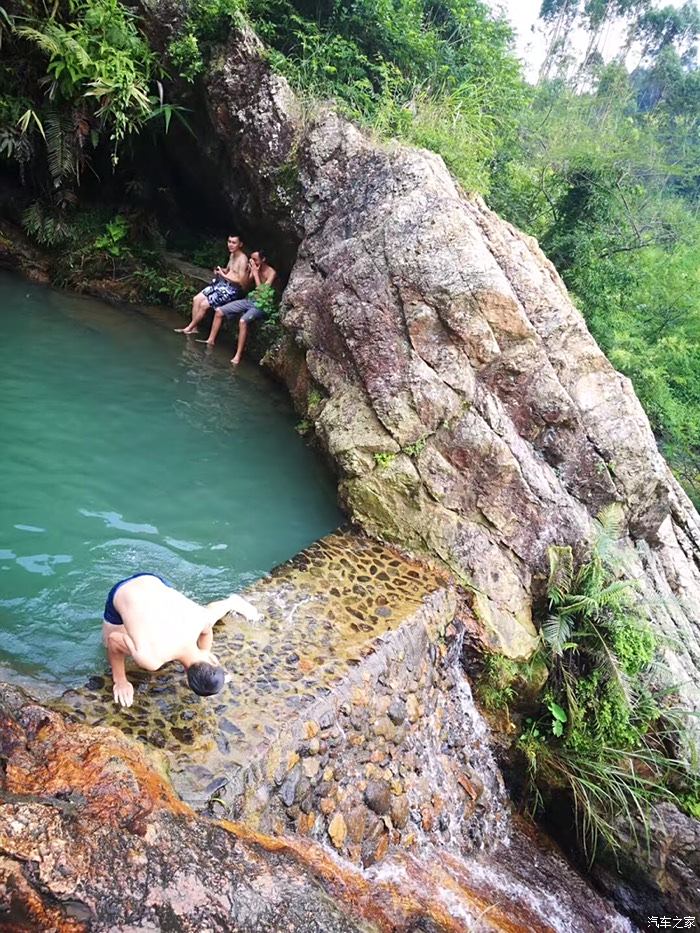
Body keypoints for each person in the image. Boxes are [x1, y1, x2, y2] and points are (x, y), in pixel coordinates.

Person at [102, 572, 261, 707]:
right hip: (123, 592)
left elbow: (207, 631)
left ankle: (230, 603)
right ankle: (231, 603)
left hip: (153, 580)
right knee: (107, 646)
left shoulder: (201, 622)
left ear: (213, 662)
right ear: (187, 674)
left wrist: (205, 651)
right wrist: (120, 680)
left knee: (208, 615)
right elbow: (113, 641)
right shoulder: (151, 659)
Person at [200, 249, 278, 365]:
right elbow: (244, 287)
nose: (253, 262)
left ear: (263, 260)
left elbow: (263, 293)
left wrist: (256, 274)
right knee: (219, 311)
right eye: (251, 259)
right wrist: (248, 273)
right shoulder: (253, 269)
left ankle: (238, 355)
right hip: (249, 300)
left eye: (255, 260)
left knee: (242, 321)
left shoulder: (271, 272)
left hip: (261, 304)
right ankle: (210, 340)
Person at [175, 235, 251, 335]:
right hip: (221, 284)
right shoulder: (232, 255)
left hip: (231, 289)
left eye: (234, 242)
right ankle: (194, 329)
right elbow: (229, 271)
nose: (230, 245)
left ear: (240, 244)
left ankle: (189, 327)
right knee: (196, 299)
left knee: (203, 305)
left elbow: (241, 280)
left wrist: (224, 275)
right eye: (229, 242)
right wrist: (221, 270)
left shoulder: (243, 259)